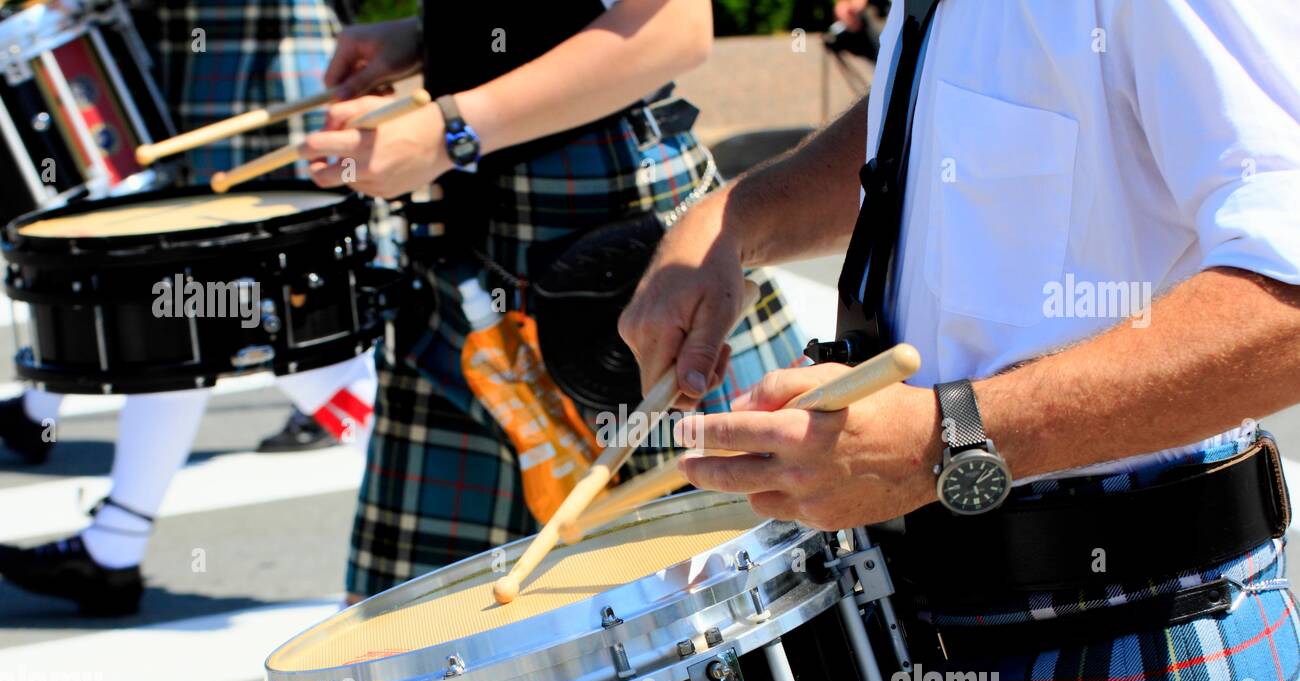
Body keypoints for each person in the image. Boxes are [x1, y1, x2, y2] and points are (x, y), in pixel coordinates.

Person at [619, 0, 1300, 681]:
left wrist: (945, 440)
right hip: (936, 651)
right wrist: (734, 219)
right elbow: (947, 107)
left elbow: (1291, 302)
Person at [301, 1, 807, 601]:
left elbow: (675, 29)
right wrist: (433, 36)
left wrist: (449, 131)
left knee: (713, 610)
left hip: (611, 255)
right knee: (409, 628)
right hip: (466, 252)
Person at [0, 0, 376, 615]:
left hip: (249, 81)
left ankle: (482, 496)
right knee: (181, 321)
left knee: (282, 333)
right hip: (201, 74)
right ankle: (113, 547)